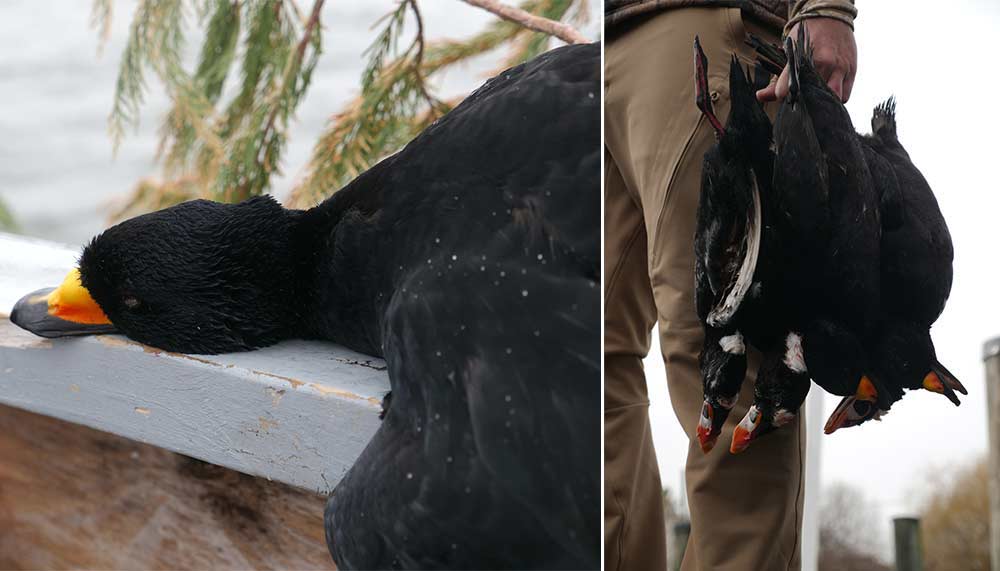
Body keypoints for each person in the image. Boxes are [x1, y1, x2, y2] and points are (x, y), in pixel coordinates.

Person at [604, 1, 857, 569]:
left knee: (735, 371)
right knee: (585, 368)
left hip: (702, 34)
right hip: (599, 50)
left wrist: (824, 7)